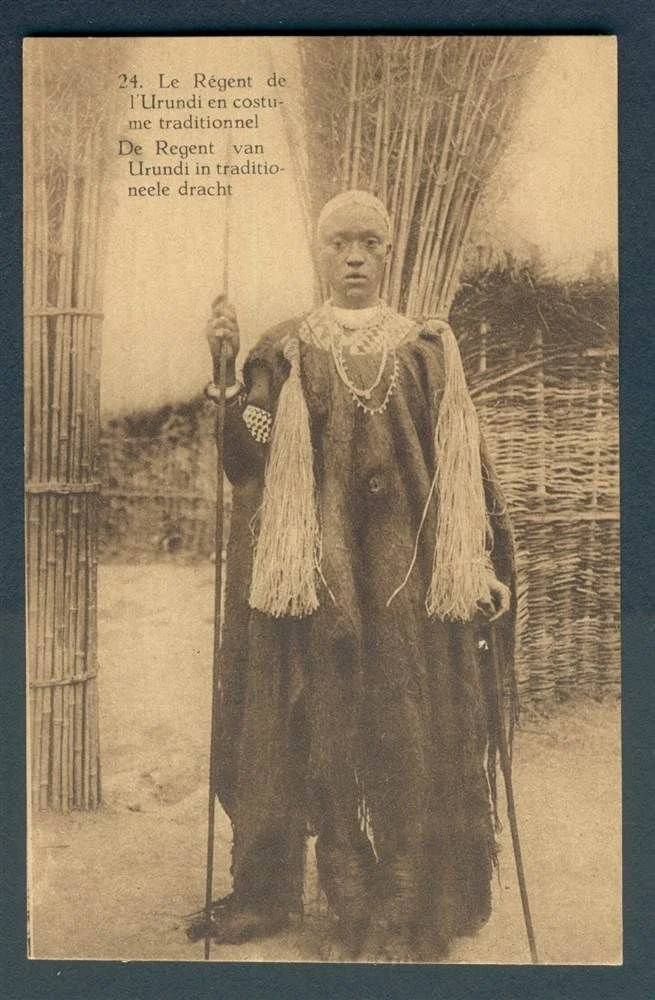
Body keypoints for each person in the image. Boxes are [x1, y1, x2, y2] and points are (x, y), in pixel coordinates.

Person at [188, 190, 515, 961]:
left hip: (407, 579)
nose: (355, 257)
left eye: (370, 241)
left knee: (404, 725)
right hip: (317, 578)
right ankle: (346, 902)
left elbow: (464, 479)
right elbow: (246, 457)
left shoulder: (427, 352)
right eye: (340, 243)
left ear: (390, 252)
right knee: (324, 725)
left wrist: (479, 569)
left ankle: (403, 906)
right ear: (320, 252)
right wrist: (225, 371)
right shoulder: (285, 349)